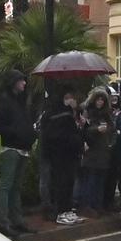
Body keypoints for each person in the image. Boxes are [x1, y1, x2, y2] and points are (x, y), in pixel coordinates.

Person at [0, 71, 34, 236]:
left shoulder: (21, 102)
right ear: (13, 82)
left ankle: (17, 220)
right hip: (11, 148)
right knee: (6, 185)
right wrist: (15, 133)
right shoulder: (5, 101)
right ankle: (4, 222)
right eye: (21, 80)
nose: (24, 83)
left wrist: (30, 134)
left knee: (16, 187)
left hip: (23, 148)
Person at [39, 90, 85, 226]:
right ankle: (62, 211)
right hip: (62, 155)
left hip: (66, 155)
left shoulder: (65, 114)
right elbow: (64, 135)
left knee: (67, 183)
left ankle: (67, 210)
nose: (75, 101)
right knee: (62, 183)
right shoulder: (61, 115)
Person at [79, 89, 115, 215]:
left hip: (103, 150)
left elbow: (112, 128)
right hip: (91, 150)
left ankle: (97, 205)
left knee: (100, 180)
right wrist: (96, 129)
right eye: (98, 99)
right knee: (91, 179)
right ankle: (87, 205)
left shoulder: (107, 114)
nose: (100, 102)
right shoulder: (87, 112)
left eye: (102, 100)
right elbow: (84, 130)